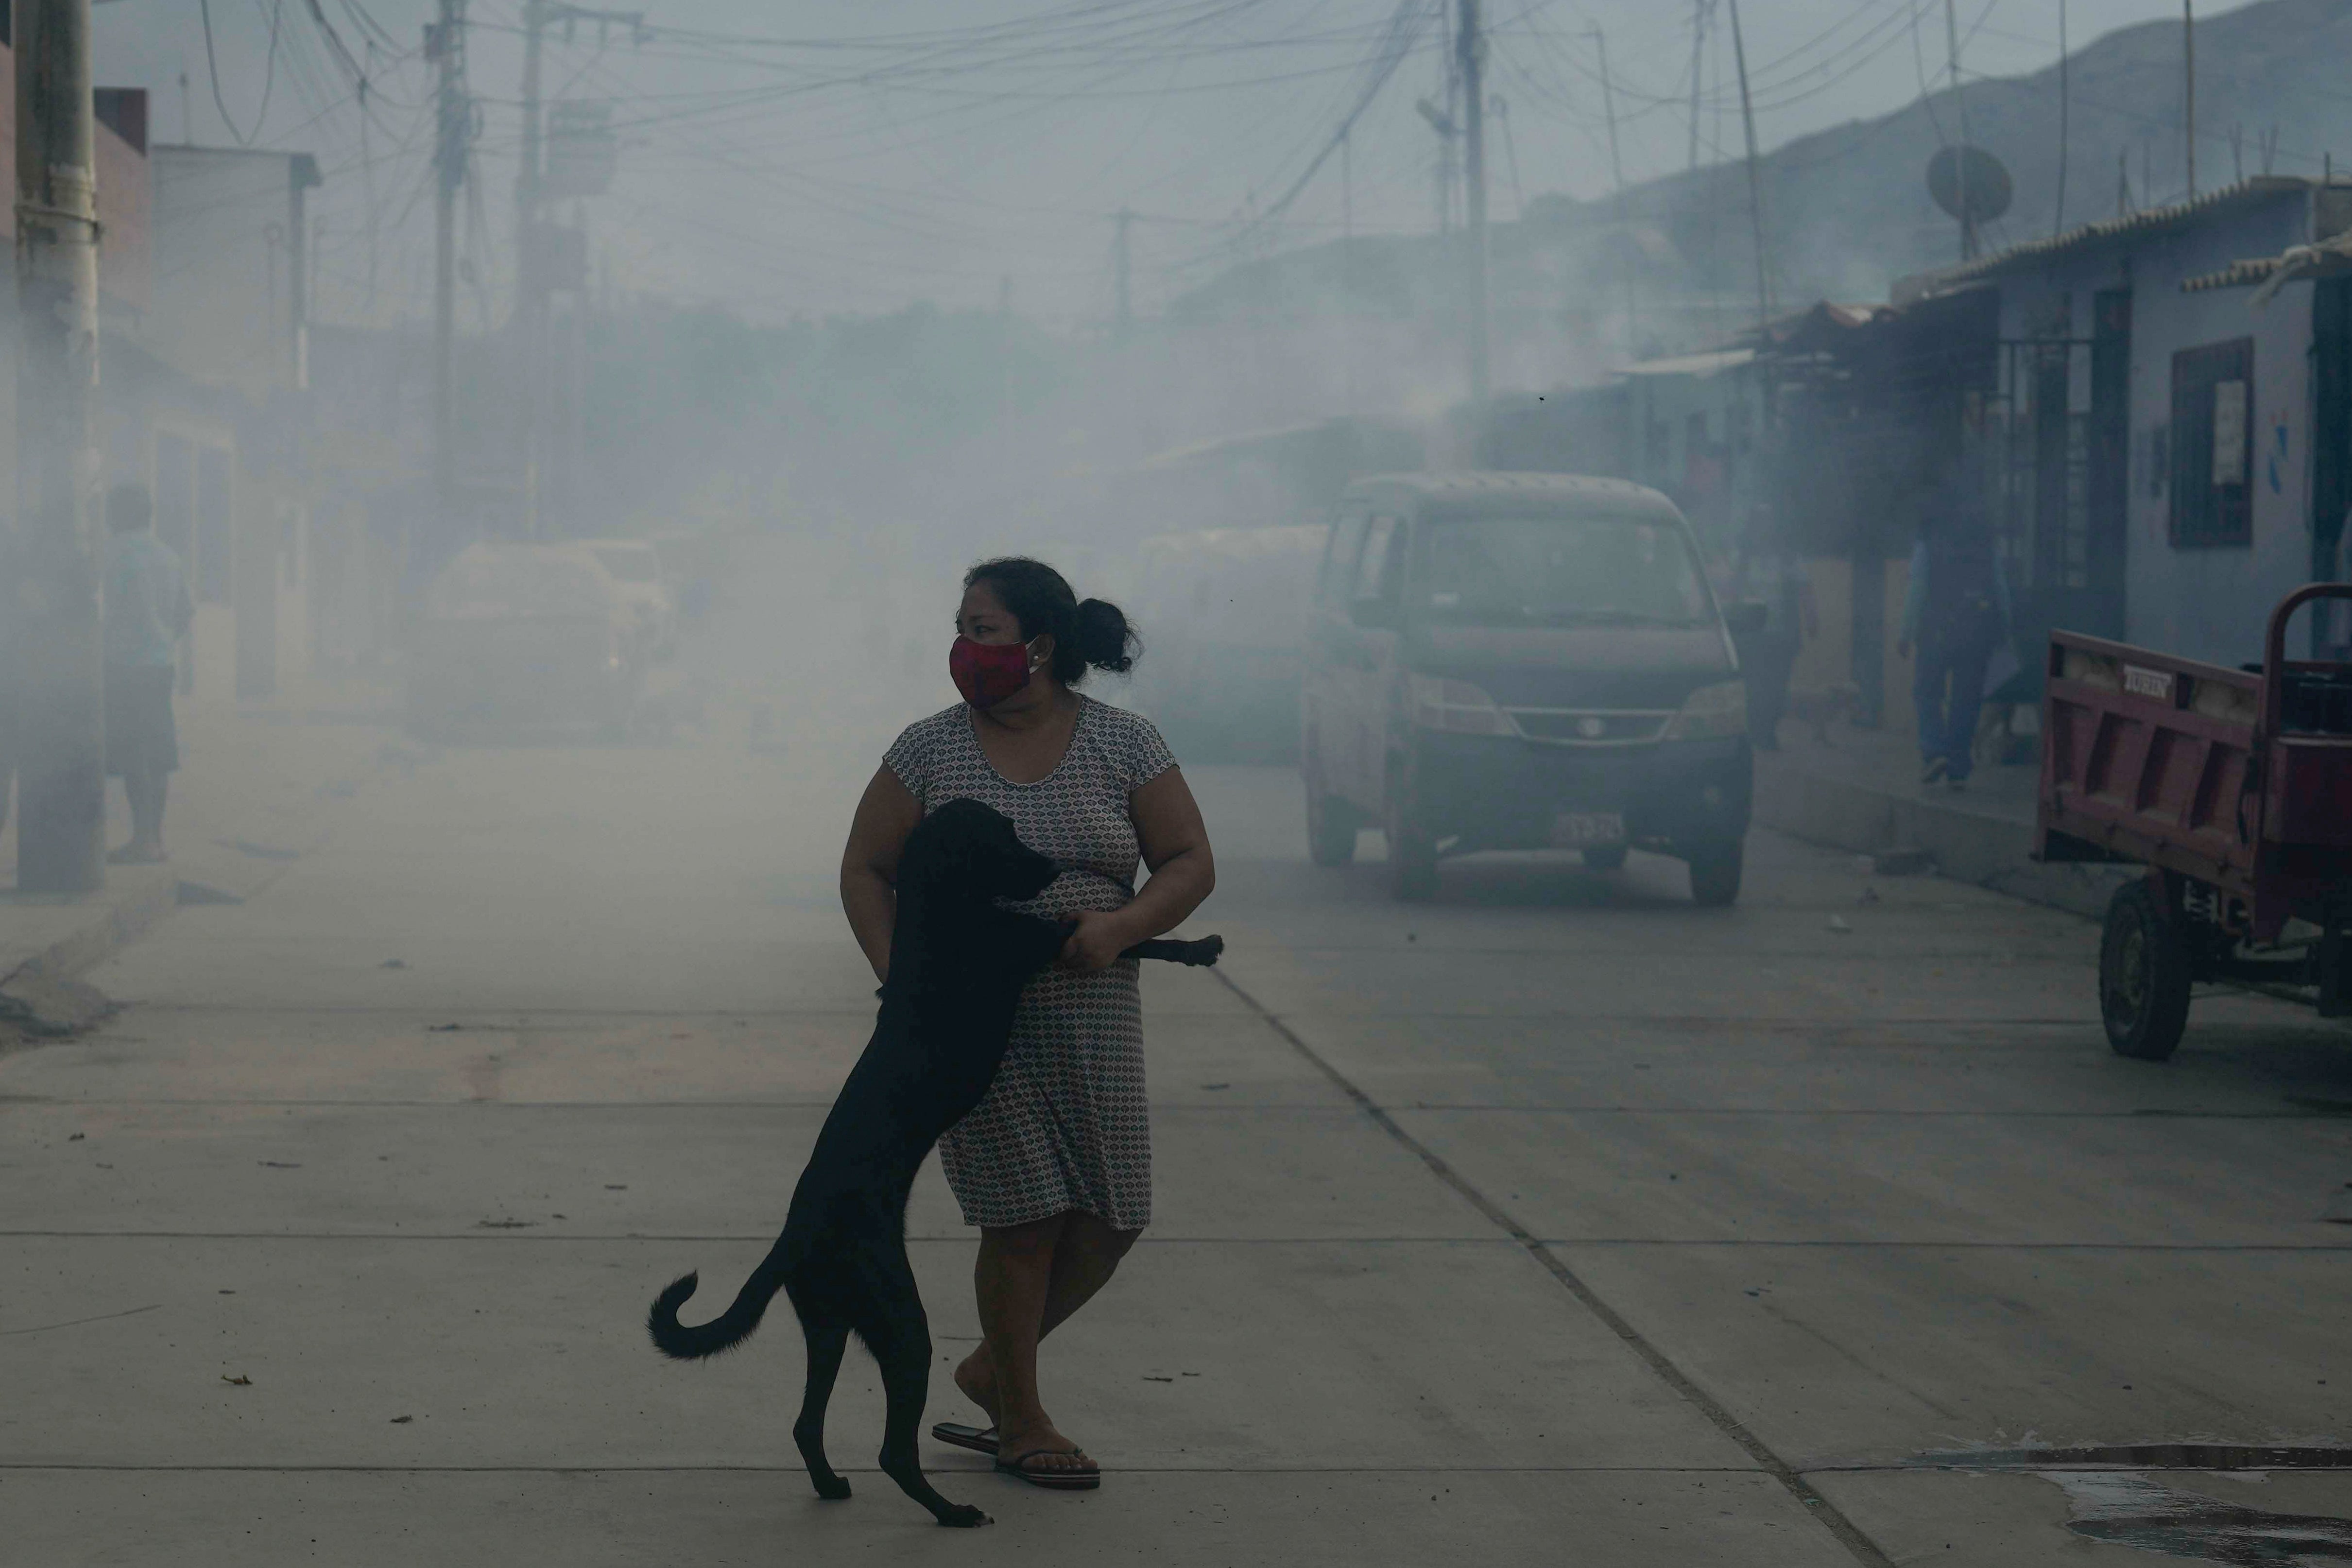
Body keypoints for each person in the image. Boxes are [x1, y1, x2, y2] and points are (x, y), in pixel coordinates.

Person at [839, 557, 1216, 1491]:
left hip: (1093, 1007)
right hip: (971, 1019)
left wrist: (1124, 925)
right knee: (1022, 1215)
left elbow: (1187, 860)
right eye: (963, 627)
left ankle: (987, 1370)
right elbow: (863, 868)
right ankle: (1024, 1416)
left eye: (985, 630)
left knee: (1114, 1210)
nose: (966, 649)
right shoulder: (928, 749)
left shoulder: (1125, 744)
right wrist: (906, 978)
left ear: (1040, 648)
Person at [102, 483, 192, 863]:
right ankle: (155, 839)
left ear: (115, 515)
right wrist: (165, 640)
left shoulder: (116, 554)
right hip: (160, 666)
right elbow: (186, 610)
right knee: (157, 752)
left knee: (134, 754)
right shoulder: (167, 555)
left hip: (125, 667)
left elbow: (106, 611)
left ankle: (142, 841)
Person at [1899, 491, 2009, 792]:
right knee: (1966, 701)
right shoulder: (1985, 547)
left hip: (1935, 634)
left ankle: (1934, 752)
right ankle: (1959, 767)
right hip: (1976, 637)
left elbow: (1916, 591)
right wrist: (2005, 633)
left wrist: (1905, 634)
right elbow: (2001, 591)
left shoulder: (1928, 546)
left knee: (1927, 693)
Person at [1728, 504, 1817, 751]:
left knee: (1777, 690)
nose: (1764, 529)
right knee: (1755, 688)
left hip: (1782, 636)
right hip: (1753, 636)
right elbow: (1733, 592)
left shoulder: (1789, 558)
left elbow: (1805, 589)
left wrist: (1811, 619)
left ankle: (1768, 729)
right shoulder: (1742, 558)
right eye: (1760, 523)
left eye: (1768, 523)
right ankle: (1759, 733)